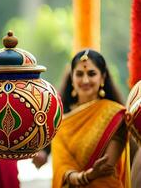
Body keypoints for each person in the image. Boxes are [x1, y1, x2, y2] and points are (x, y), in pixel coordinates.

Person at [52, 49, 130, 188]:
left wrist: (86, 176)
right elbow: (61, 168)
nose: (85, 80)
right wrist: (86, 176)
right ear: (72, 77)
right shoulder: (60, 121)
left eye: (92, 74)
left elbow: (106, 167)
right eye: (79, 74)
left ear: (103, 77)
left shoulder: (114, 115)